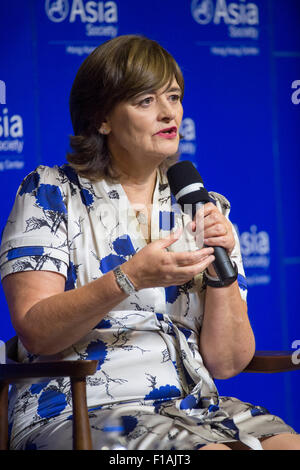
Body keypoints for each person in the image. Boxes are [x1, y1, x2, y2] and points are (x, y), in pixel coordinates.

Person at [0, 35, 299, 451]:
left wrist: (221, 274)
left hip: (198, 407)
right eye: (145, 101)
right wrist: (130, 277)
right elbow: (37, 332)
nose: (168, 113)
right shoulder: (50, 192)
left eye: (173, 97)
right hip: (83, 408)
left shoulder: (202, 204)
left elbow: (227, 363)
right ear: (102, 117)